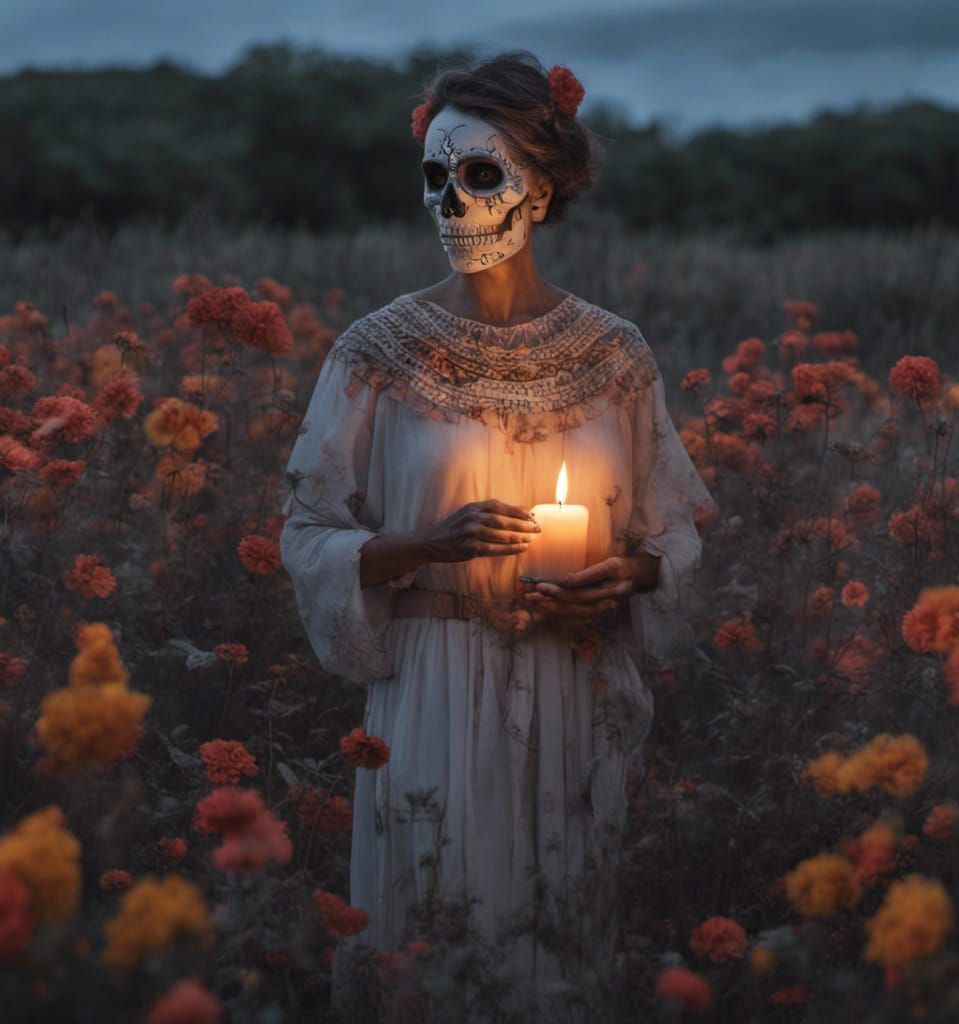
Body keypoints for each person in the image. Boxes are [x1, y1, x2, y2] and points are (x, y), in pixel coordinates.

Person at [279, 50, 713, 1022]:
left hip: (566, 679)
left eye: (480, 174)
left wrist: (620, 579)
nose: (451, 202)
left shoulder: (612, 354)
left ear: (543, 184)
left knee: (550, 948)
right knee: (428, 936)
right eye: (435, 176)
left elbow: (675, 534)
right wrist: (423, 544)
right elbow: (308, 527)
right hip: (428, 688)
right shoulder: (376, 352)